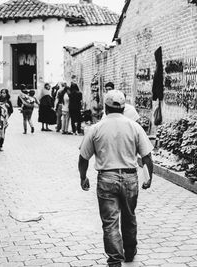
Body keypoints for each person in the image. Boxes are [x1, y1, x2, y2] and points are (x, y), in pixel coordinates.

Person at [78, 89, 154, 267]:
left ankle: (114, 261)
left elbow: (83, 157)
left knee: (110, 222)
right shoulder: (134, 127)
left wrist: (83, 177)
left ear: (105, 107)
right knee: (129, 216)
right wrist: (148, 178)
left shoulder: (96, 128)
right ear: (123, 107)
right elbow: (147, 157)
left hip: (106, 179)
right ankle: (129, 252)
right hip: (130, 178)